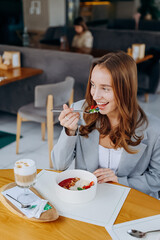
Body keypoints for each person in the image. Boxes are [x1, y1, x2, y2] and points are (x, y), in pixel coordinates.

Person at [52, 51, 160, 199]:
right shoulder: (81, 112)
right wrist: (69, 132)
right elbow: (59, 165)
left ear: (126, 90)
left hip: (131, 201)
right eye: (93, 85)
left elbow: (157, 178)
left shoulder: (154, 129)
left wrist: (120, 181)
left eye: (105, 88)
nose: (95, 96)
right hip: (89, 198)